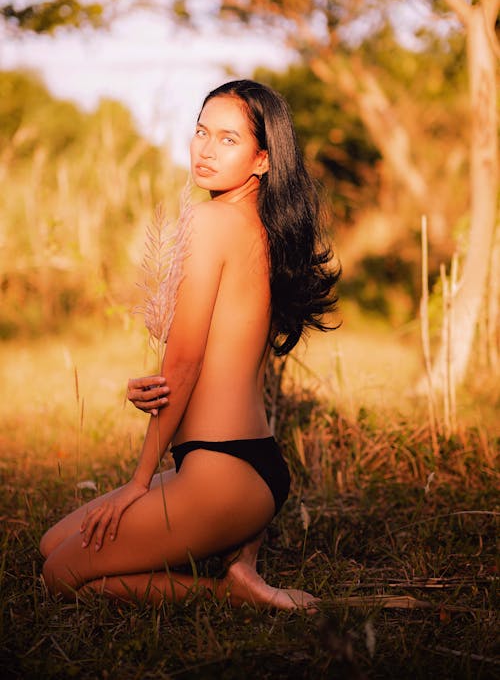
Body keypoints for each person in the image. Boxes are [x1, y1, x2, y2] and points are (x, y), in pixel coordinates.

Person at [40, 79, 340, 609]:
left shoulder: (209, 221)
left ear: (263, 160)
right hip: (247, 466)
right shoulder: (263, 227)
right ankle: (230, 554)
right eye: (201, 132)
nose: (205, 149)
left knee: (61, 574)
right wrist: (155, 390)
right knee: (52, 545)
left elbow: (184, 362)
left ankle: (230, 592)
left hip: (223, 472)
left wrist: (138, 483)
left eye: (228, 139)